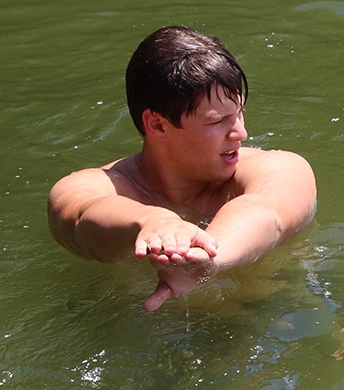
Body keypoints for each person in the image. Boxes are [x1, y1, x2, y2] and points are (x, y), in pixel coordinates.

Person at [47, 26, 317, 311]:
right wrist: (151, 222)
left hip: (275, 310)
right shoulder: (95, 185)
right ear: (157, 125)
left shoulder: (280, 167)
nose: (241, 133)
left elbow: (268, 214)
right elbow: (77, 219)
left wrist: (209, 258)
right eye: (217, 121)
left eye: (239, 113)